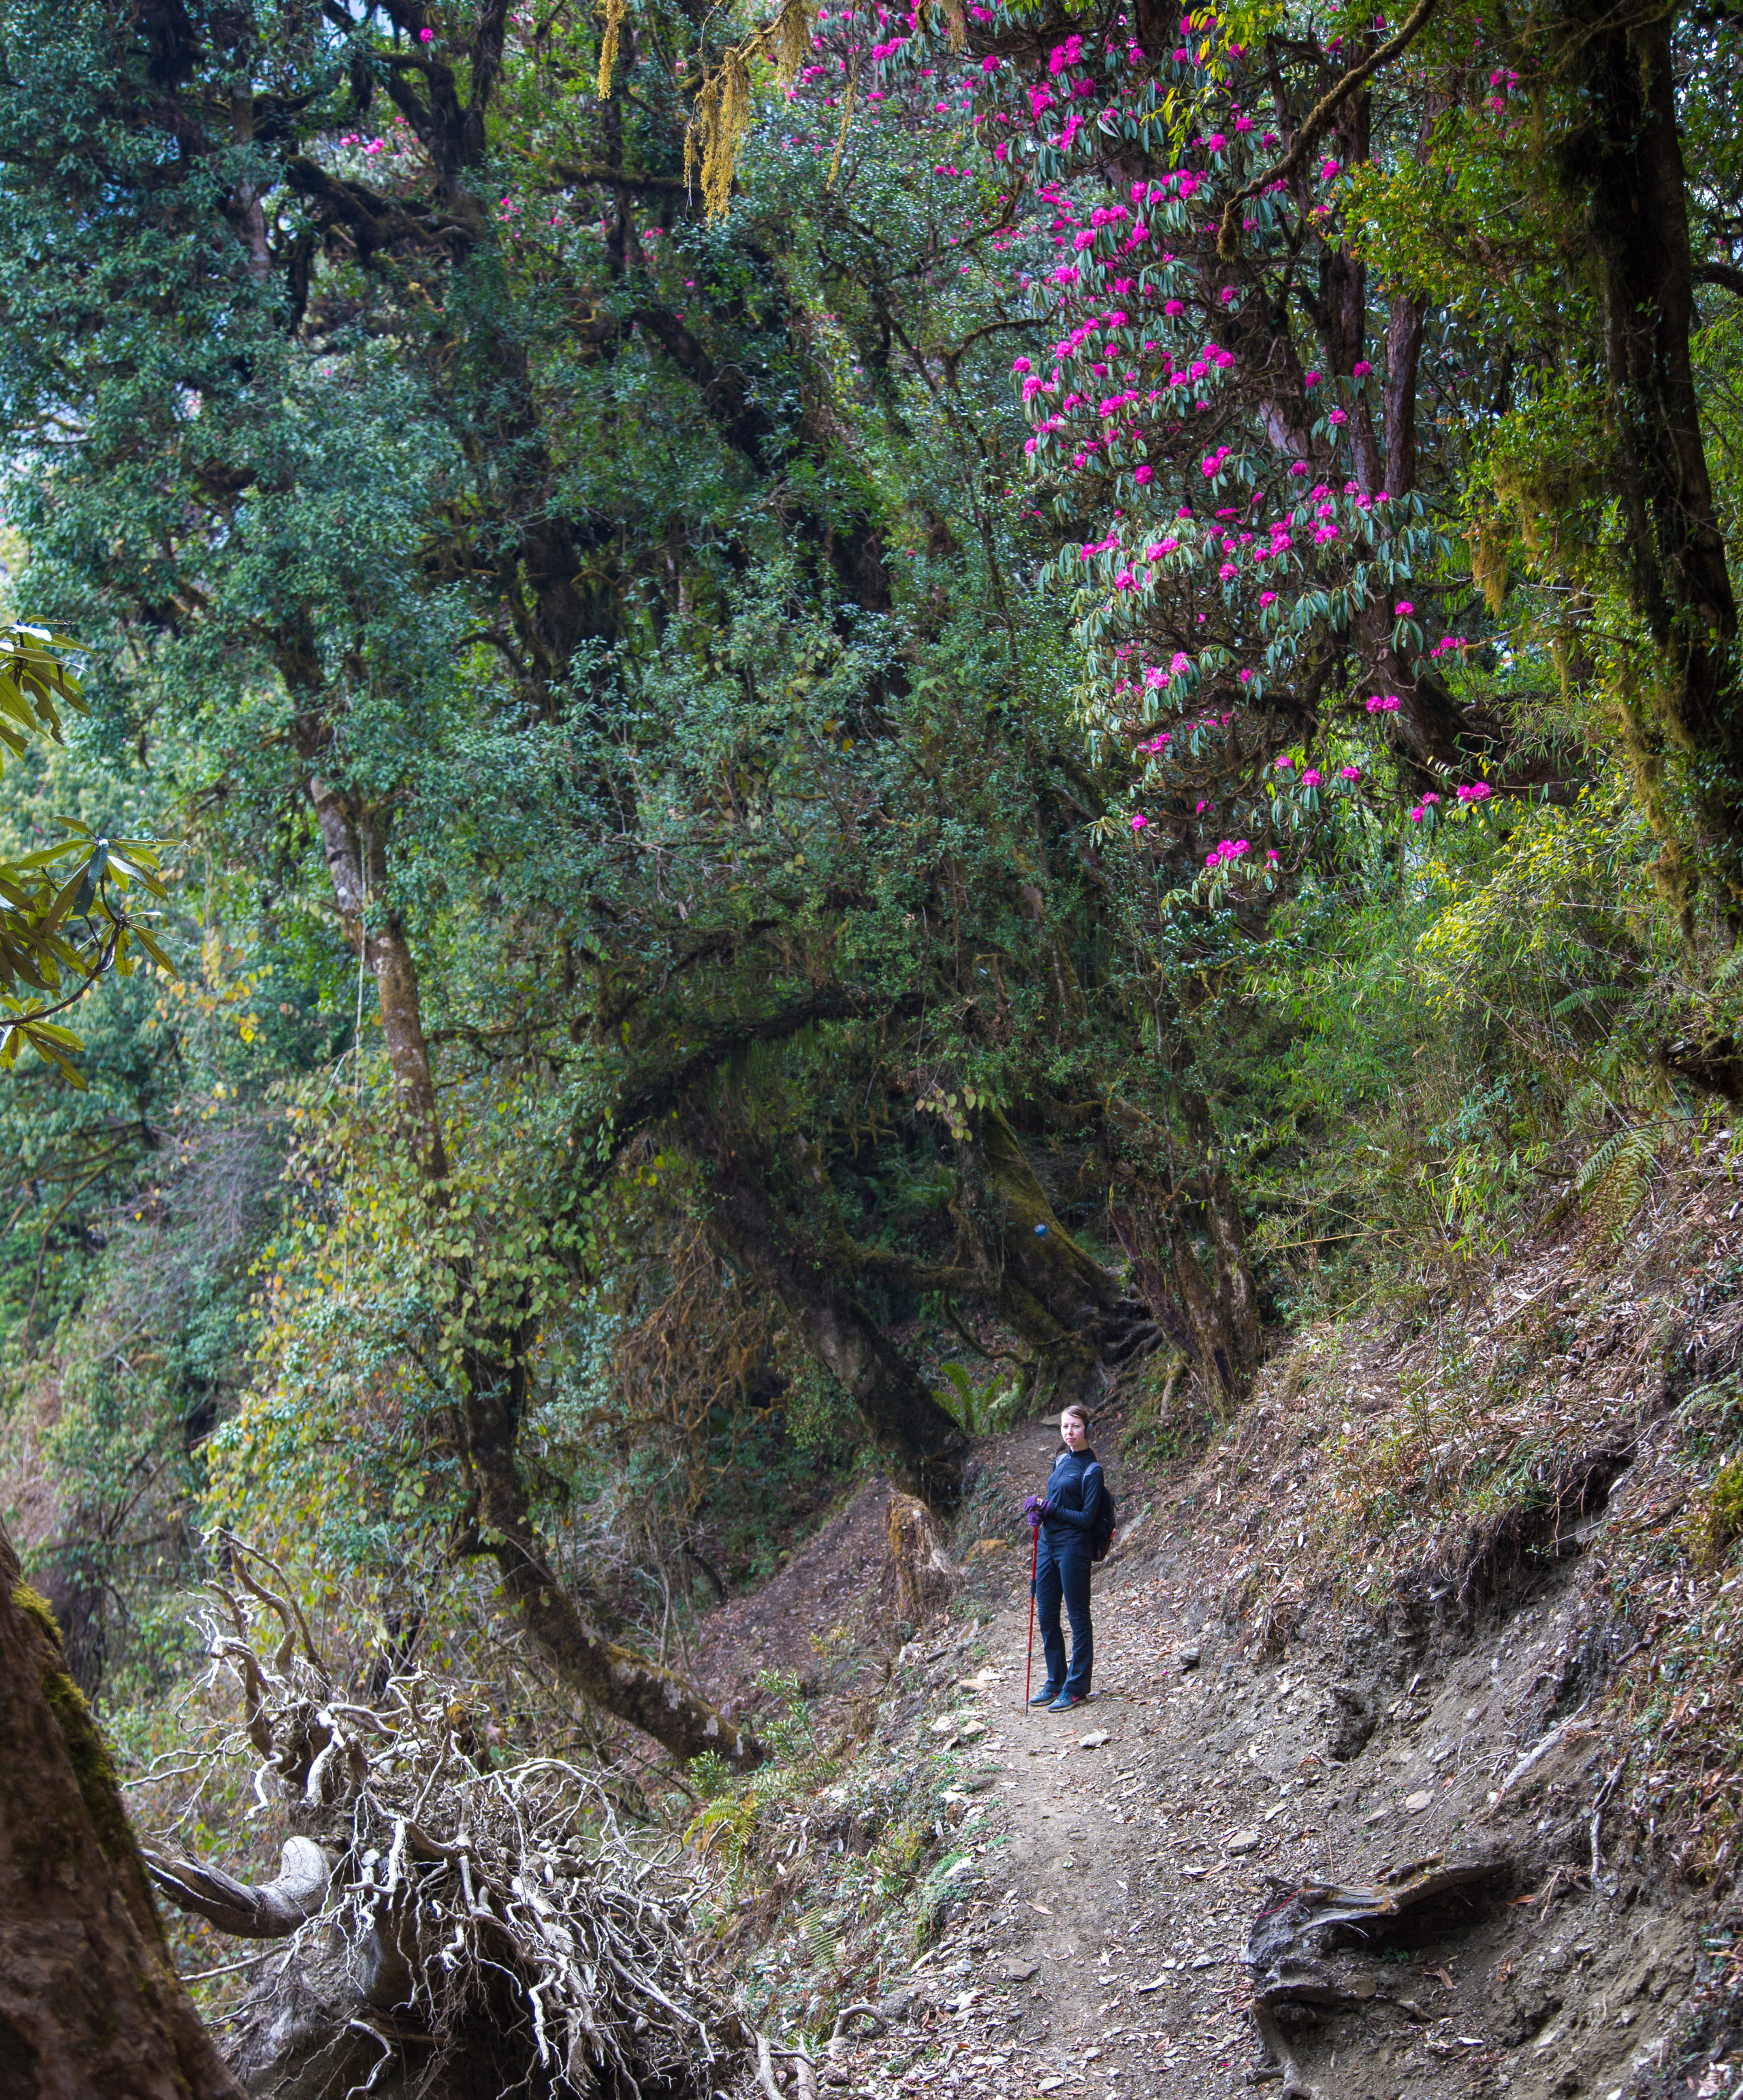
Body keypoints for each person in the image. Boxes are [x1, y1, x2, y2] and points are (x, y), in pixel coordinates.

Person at [1023, 1402, 1104, 1712]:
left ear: (1087, 1429)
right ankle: (1055, 1681)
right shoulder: (1059, 1461)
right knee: (1045, 1614)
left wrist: (1052, 1508)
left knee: (1078, 1616)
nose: (1069, 1433)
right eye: (1065, 1427)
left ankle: (1077, 1686)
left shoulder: (1092, 1470)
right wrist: (1039, 1514)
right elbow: (1054, 1503)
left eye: (1076, 1427)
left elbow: (1086, 1518)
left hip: (1074, 1548)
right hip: (1047, 1544)